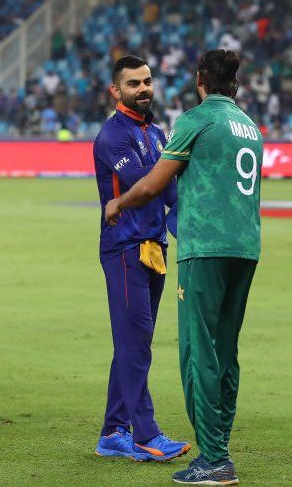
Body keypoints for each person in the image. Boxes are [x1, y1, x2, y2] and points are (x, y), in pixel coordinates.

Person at [104, 50, 261, 485]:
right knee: (227, 350)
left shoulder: (195, 121)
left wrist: (117, 202)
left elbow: (156, 183)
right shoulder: (251, 127)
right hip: (246, 246)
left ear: (200, 80)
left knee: (198, 352)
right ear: (237, 85)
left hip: (205, 248)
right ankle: (220, 444)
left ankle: (213, 458)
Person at [92, 55, 186, 462]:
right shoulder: (113, 137)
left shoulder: (158, 133)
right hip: (126, 250)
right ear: (116, 91)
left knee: (135, 342)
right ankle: (145, 434)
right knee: (135, 344)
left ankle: (114, 431)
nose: (144, 88)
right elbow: (147, 186)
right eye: (134, 83)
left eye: (147, 81)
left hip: (154, 248)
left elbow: (168, 193)